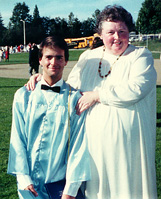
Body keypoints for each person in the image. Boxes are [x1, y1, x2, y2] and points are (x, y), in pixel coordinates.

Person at [25, 5, 157, 199]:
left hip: (130, 147)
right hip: (94, 148)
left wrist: (96, 96)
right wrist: (43, 78)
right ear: (100, 34)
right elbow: (69, 91)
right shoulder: (88, 57)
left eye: (122, 31)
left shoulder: (140, 56)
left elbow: (136, 89)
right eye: (110, 32)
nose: (117, 37)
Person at [7, 35, 90, 199]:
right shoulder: (24, 96)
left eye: (59, 57)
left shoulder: (75, 99)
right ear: (40, 60)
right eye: (49, 57)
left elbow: (78, 147)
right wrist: (23, 178)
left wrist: (70, 190)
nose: (54, 62)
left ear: (66, 61)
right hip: (28, 184)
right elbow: (18, 138)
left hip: (60, 184)